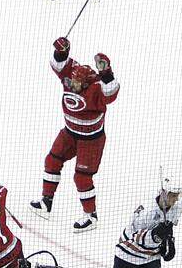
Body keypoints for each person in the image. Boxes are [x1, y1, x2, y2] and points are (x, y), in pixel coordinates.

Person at [29, 38, 120, 232]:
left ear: (87, 83)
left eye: (78, 83)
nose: (73, 84)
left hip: (91, 140)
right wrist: (62, 51)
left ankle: (91, 216)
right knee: (52, 160)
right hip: (69, 133)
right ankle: (46, 202)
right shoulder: (70, 77)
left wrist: (106, 72)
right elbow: (58, 64)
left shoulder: (96, 87)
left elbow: (112, 92)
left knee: (82, 177)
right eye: (73, 80)